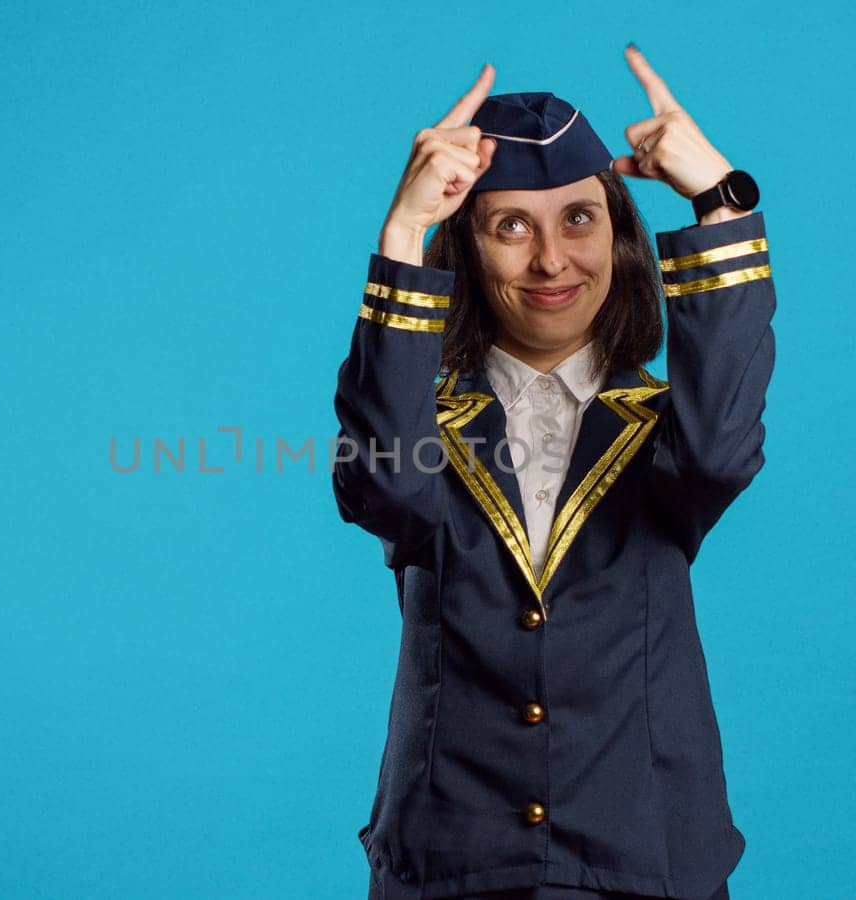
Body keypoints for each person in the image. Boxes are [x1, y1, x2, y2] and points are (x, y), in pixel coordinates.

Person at [331, 44, 774, 900]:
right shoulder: (425, 429)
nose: (550, 261)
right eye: (511, 227)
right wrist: (402, 234)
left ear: (620, 238)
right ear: (468, 249)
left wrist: (720, 201)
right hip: (450, 865)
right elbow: (380, 487)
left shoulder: (664, 434)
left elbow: (721, 448)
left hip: (648, 862)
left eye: (579, 219)